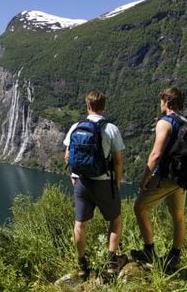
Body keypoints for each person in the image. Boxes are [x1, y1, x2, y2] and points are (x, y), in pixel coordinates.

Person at [63, 90, 127, 279]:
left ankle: (82, 264)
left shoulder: (76, 126)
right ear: (103, 106)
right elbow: (117, 162)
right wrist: (116, 183)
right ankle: (111, 262)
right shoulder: (111, 129)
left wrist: (72, 176)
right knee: (115, 219)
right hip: (103, 183)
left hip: (81, 182)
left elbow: (67, 155)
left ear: (88, 106)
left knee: (80, 223)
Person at [131, 87, 186, 273]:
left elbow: (156, 154)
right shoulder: (186, 122)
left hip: (165, 177)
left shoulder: (165, 122)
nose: (160, 103)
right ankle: (174, 257)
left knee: (139, 207)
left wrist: (145, 177)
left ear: (167, 102)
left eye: (162, 100)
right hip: (182, 179)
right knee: (178, 216)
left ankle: (148, 251)